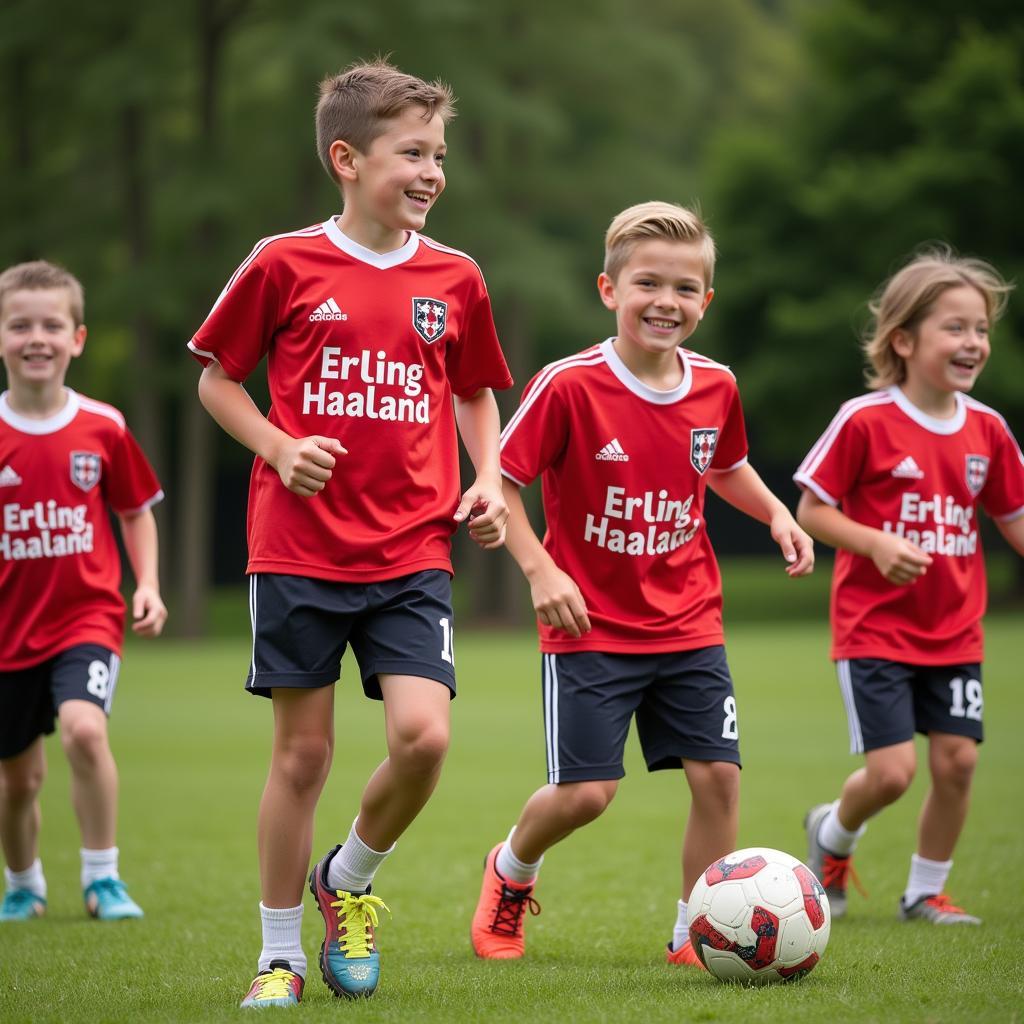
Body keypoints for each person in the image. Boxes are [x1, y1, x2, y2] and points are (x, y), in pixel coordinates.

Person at [188, 58, 512, 1007]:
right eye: (411, 152)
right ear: (346, 158)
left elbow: (476, 391)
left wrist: (488, 478)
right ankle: (279, 956)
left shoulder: (455, 276)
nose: (431, 172)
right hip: (296, 550)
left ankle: (350, 881)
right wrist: (280, 448)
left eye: (439, 155)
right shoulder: (283, 261)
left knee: (423, 738)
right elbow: (216, 378)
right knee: (302, 757)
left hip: (412, 549)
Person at [470, 201, 814, 966]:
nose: (667, 301)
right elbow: (505, 483)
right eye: (648, 283)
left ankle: (701, 929)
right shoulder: (569, 385)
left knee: (718, 778)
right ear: (608, 290)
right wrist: (540, 569)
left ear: (706, 301)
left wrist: (776, 516)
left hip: (690, 617)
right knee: (588, 795)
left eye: (686, 288)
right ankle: (510, 872)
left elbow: (722, 466)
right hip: (589, 625)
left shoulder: (717, 385)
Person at [795, 247, 1024, 925]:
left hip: (955, 631)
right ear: (904, 339)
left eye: (980, 328)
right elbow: (813, 509)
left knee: (956, 764)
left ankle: (926, 890)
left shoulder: (989, 430)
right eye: (954, 328)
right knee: (893, 774)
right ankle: (832, 835)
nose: (972, 342)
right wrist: (875, 543)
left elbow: (1014, 517)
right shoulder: (865, 421)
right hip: (876, 631)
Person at [0, 260, 166, 924]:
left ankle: (103, 879)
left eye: (51, 325)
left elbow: (134, 510)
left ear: (78, 338)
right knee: (19, 780)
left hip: (85, 619)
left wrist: (147, 583)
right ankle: (23, 884)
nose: (36, 338)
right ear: (2, 337)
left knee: (84, 731)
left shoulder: (103, 426)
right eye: (20, 325)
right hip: (8, 632)